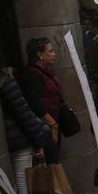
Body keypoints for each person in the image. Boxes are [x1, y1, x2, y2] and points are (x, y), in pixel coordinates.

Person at [0, 49, 49, 194]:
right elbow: (22, 111)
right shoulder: (6, 81)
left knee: (18, 180)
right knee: (22, 180)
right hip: (17, 137)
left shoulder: (3, 82)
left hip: (9, 137)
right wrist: (38, 141)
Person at [19, 37, 69, 165]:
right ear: (40, 55)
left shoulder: (46, 72)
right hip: (44, 126)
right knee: (50, 162)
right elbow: (35, 103)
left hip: (53, 121)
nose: (54, 54)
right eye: (50, 51)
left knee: (54, 158)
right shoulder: (32, 75)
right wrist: (52, 124)